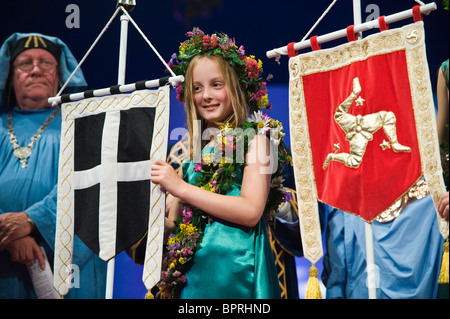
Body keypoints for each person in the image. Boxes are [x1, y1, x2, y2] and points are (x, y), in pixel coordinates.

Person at [150, 28, 291, 299]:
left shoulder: (257, 140)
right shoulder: (194, 153)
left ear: (236, 87)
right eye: (197, 88)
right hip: (194, 280)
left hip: (237, 275)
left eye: (217, 84)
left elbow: (251, 210)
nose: (206, 95)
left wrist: (180, 188)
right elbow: (177, 225)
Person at [0, 32, 107, 298]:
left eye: (46, 63)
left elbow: (89, 184)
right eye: (25, 63)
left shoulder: (82, 124)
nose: (36, 70)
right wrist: (9, 236)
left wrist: (31, 220)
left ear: (59, 76)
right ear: (11, 76)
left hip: (66, 261)